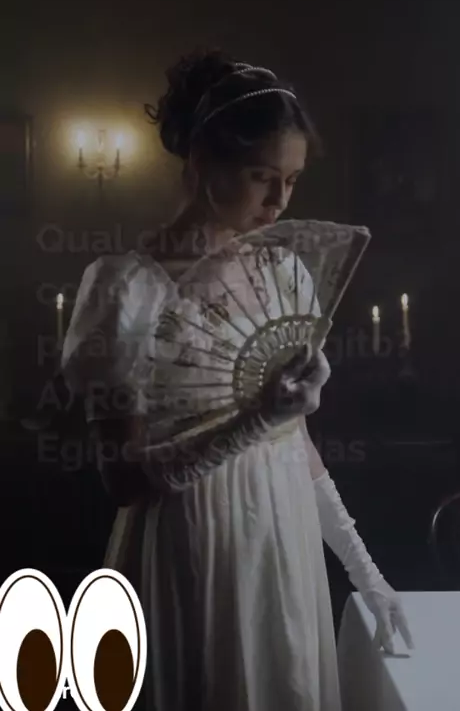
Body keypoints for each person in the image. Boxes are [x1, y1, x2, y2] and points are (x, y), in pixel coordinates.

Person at [62, 49, 413, 711]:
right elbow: (124, 479)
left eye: (292, 180)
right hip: (195, 541)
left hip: (284, 532)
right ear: (201, 164)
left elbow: (298, 447)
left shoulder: (284, 276)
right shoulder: (125, 288)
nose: (278, 201)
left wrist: (365, 573)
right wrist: (253, 420)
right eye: (260, 177)